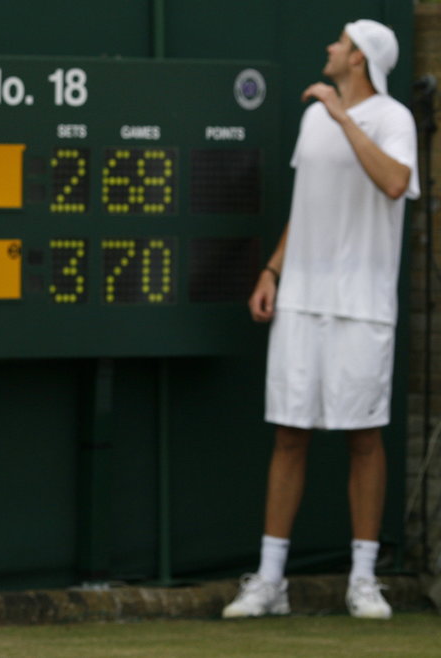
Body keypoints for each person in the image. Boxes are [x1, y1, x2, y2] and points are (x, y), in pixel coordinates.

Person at [223, 19, 419, 620]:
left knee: (364, 438)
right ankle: (271, 581)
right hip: (302, 301)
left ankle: (363, 581)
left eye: (340, 42)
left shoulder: (392, 119)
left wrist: (342, 117)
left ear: (358, 59)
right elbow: (308, 205)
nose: (330, 48)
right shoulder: (313, 119)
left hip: (362, 306)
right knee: (289, 434)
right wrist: (273, 271)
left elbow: (395, 183)